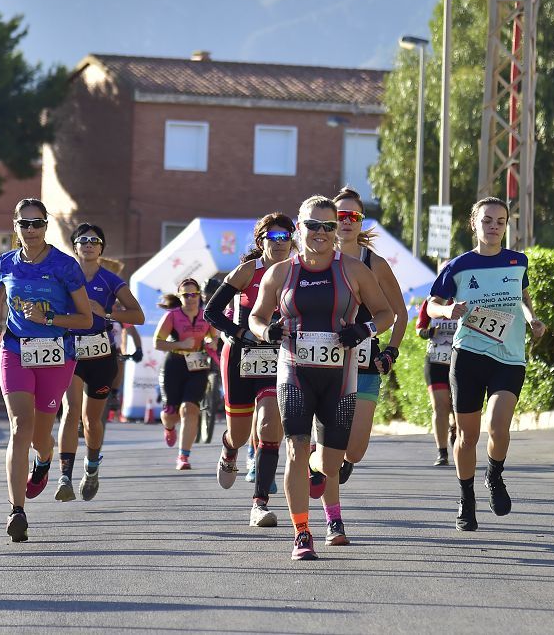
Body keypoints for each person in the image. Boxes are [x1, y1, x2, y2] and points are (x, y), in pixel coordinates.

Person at [249, 195, 393, 560]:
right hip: (294, 371)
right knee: (294, 449)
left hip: (338, 376)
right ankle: (301, 532)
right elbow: (256, 317)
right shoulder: (281, 272)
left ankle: (318, 461)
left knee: (331, 464)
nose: (320, 233)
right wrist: (268, 333)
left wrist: (363, 331)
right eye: (312, 225)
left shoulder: (354, 270)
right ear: (300, 227)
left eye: (328, 226)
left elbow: (385, 314)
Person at [426, 197, 547, 532]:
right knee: (466, 436)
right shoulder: (459, 266)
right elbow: (432, 304)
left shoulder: (517, 261)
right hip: (469, 355)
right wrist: (446, 310)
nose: (494, 227)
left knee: (498, 425)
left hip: (509, 357)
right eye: (487, 221)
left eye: (500, 221)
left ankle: (494, 476)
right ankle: (466, 497)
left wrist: (534, 319)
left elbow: (523, 298)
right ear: (474, 224)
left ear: (506, 226)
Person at [0, 198, 93, 542]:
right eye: (24, 224)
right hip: (15, 349)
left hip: (56, 354)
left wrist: (46, 318)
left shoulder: (65, 266)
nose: (30, 230)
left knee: (39, 437)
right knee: (20, 426)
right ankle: (17, 511)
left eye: (37, 223)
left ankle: (45, 460)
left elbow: (85, 319)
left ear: (46, 225)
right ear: (14, 226)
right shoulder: (6, 263)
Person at [204, 213, 295, 527]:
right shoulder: (246, 272)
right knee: (241, 434)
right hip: (241, 358)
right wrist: (237, 331)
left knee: (271, 425)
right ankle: (229, 448)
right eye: (274, 237)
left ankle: (260, 504)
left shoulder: (298, 272)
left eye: (286, 237)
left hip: (279, 358)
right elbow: (211, 311)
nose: (280, 243)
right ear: (262, 241)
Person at [55, 223, 144, 503]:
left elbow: (138, 316)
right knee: (70, 411)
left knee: (91, 419)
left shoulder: (110, 280)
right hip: (71, 350)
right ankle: (65, 476)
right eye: (83, 240)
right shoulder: (62, 277)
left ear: (101, 247)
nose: (89, 244)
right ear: (75, 246)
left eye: (94, 240)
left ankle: (91, 469)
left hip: (101, 354)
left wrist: (106, 311)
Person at [328, 187, 408, 488]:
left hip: (364, 362)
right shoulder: (316, 260)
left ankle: (344, 461)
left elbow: (400, 314)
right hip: (324, 361)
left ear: (361, 222)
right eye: (340, 216)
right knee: (324, 439)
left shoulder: (375, 263)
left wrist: (391, 351)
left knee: (356, 450)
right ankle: (320, 462)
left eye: (353, 216)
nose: (346, 221)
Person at [154, 277, 217, 469]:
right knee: (170, 413)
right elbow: (158, 342)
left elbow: (213, 336)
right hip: (174, 363)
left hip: (197, 365)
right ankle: (169, 427)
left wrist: (211, 342)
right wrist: (180, 344)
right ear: (180, 297)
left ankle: (183, 456)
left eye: (194, 294)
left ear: (200, 295)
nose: (191, 298)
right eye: (186, 295)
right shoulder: (172, 316)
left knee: (189, 409)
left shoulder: (206, 315)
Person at [415, 297, 458, 466]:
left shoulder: (465, 297)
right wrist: (429, 333)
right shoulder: (431, 302)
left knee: (458, 408)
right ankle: (442, 452)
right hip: (436, 362)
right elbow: (419, 328)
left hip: (459, 362)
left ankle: (456, 432)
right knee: (440, 407)